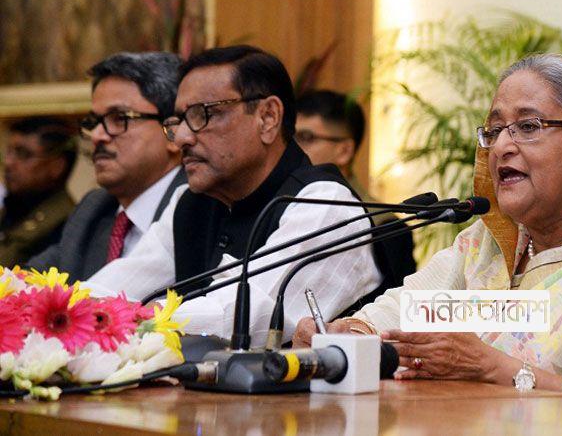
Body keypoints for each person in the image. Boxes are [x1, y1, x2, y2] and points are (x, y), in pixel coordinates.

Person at [293, 54, 562, 408]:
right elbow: (403, 314)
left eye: (528, 126)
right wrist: (345, 334)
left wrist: (497, 369)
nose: (502, 145)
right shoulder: (489, 248)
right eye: (494, 129)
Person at [85, 45, 382, 344]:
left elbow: (246, 318)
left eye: (203, 114)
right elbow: (117, 286)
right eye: (179, 121)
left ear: (268, 117)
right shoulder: (190, 204)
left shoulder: (325, 205)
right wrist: (68, 314)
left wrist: (133, 318)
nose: (182, 138)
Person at [28, 52, 186, 282]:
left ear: (173, 132)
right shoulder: (94, 210)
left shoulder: (196, 210)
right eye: (95, 121)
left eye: (120, 118)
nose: (97, 135)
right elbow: (24, 283)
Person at [295, 89, 416, 304]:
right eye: (290, 137)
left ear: (344, 151)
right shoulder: (282, 205)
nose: (293, 148)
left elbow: (396, 309)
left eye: (306, 138)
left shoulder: (383, 225)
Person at [0, 117, 77, 267]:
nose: (9, 163)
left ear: (57, 166)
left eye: (23, 154)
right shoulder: (13, 209)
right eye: (9, 152)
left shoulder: (67, 225)